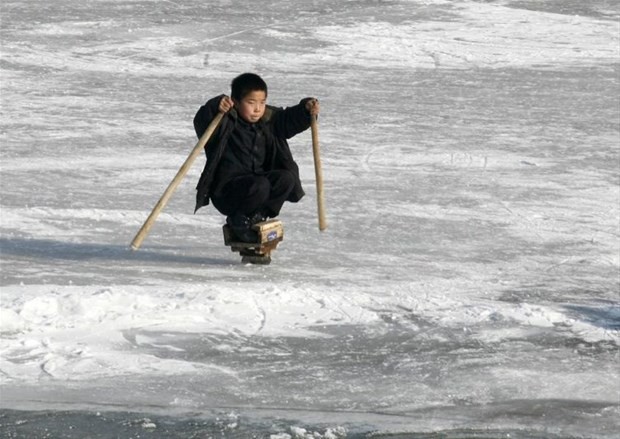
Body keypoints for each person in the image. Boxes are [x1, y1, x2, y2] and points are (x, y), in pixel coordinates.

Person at [193, 73, 320, 242]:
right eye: (251, 103)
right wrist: (217, 105)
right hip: (228, 192)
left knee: (287, 178)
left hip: (257, 187)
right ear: (236, 102)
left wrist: (306, 109)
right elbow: (202, 120)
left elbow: (289, 120)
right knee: (260, 185)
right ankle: (238, 220)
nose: (257, 109)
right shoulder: (224, 122)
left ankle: (257, 216)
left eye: (262, 102)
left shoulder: (268, 121)